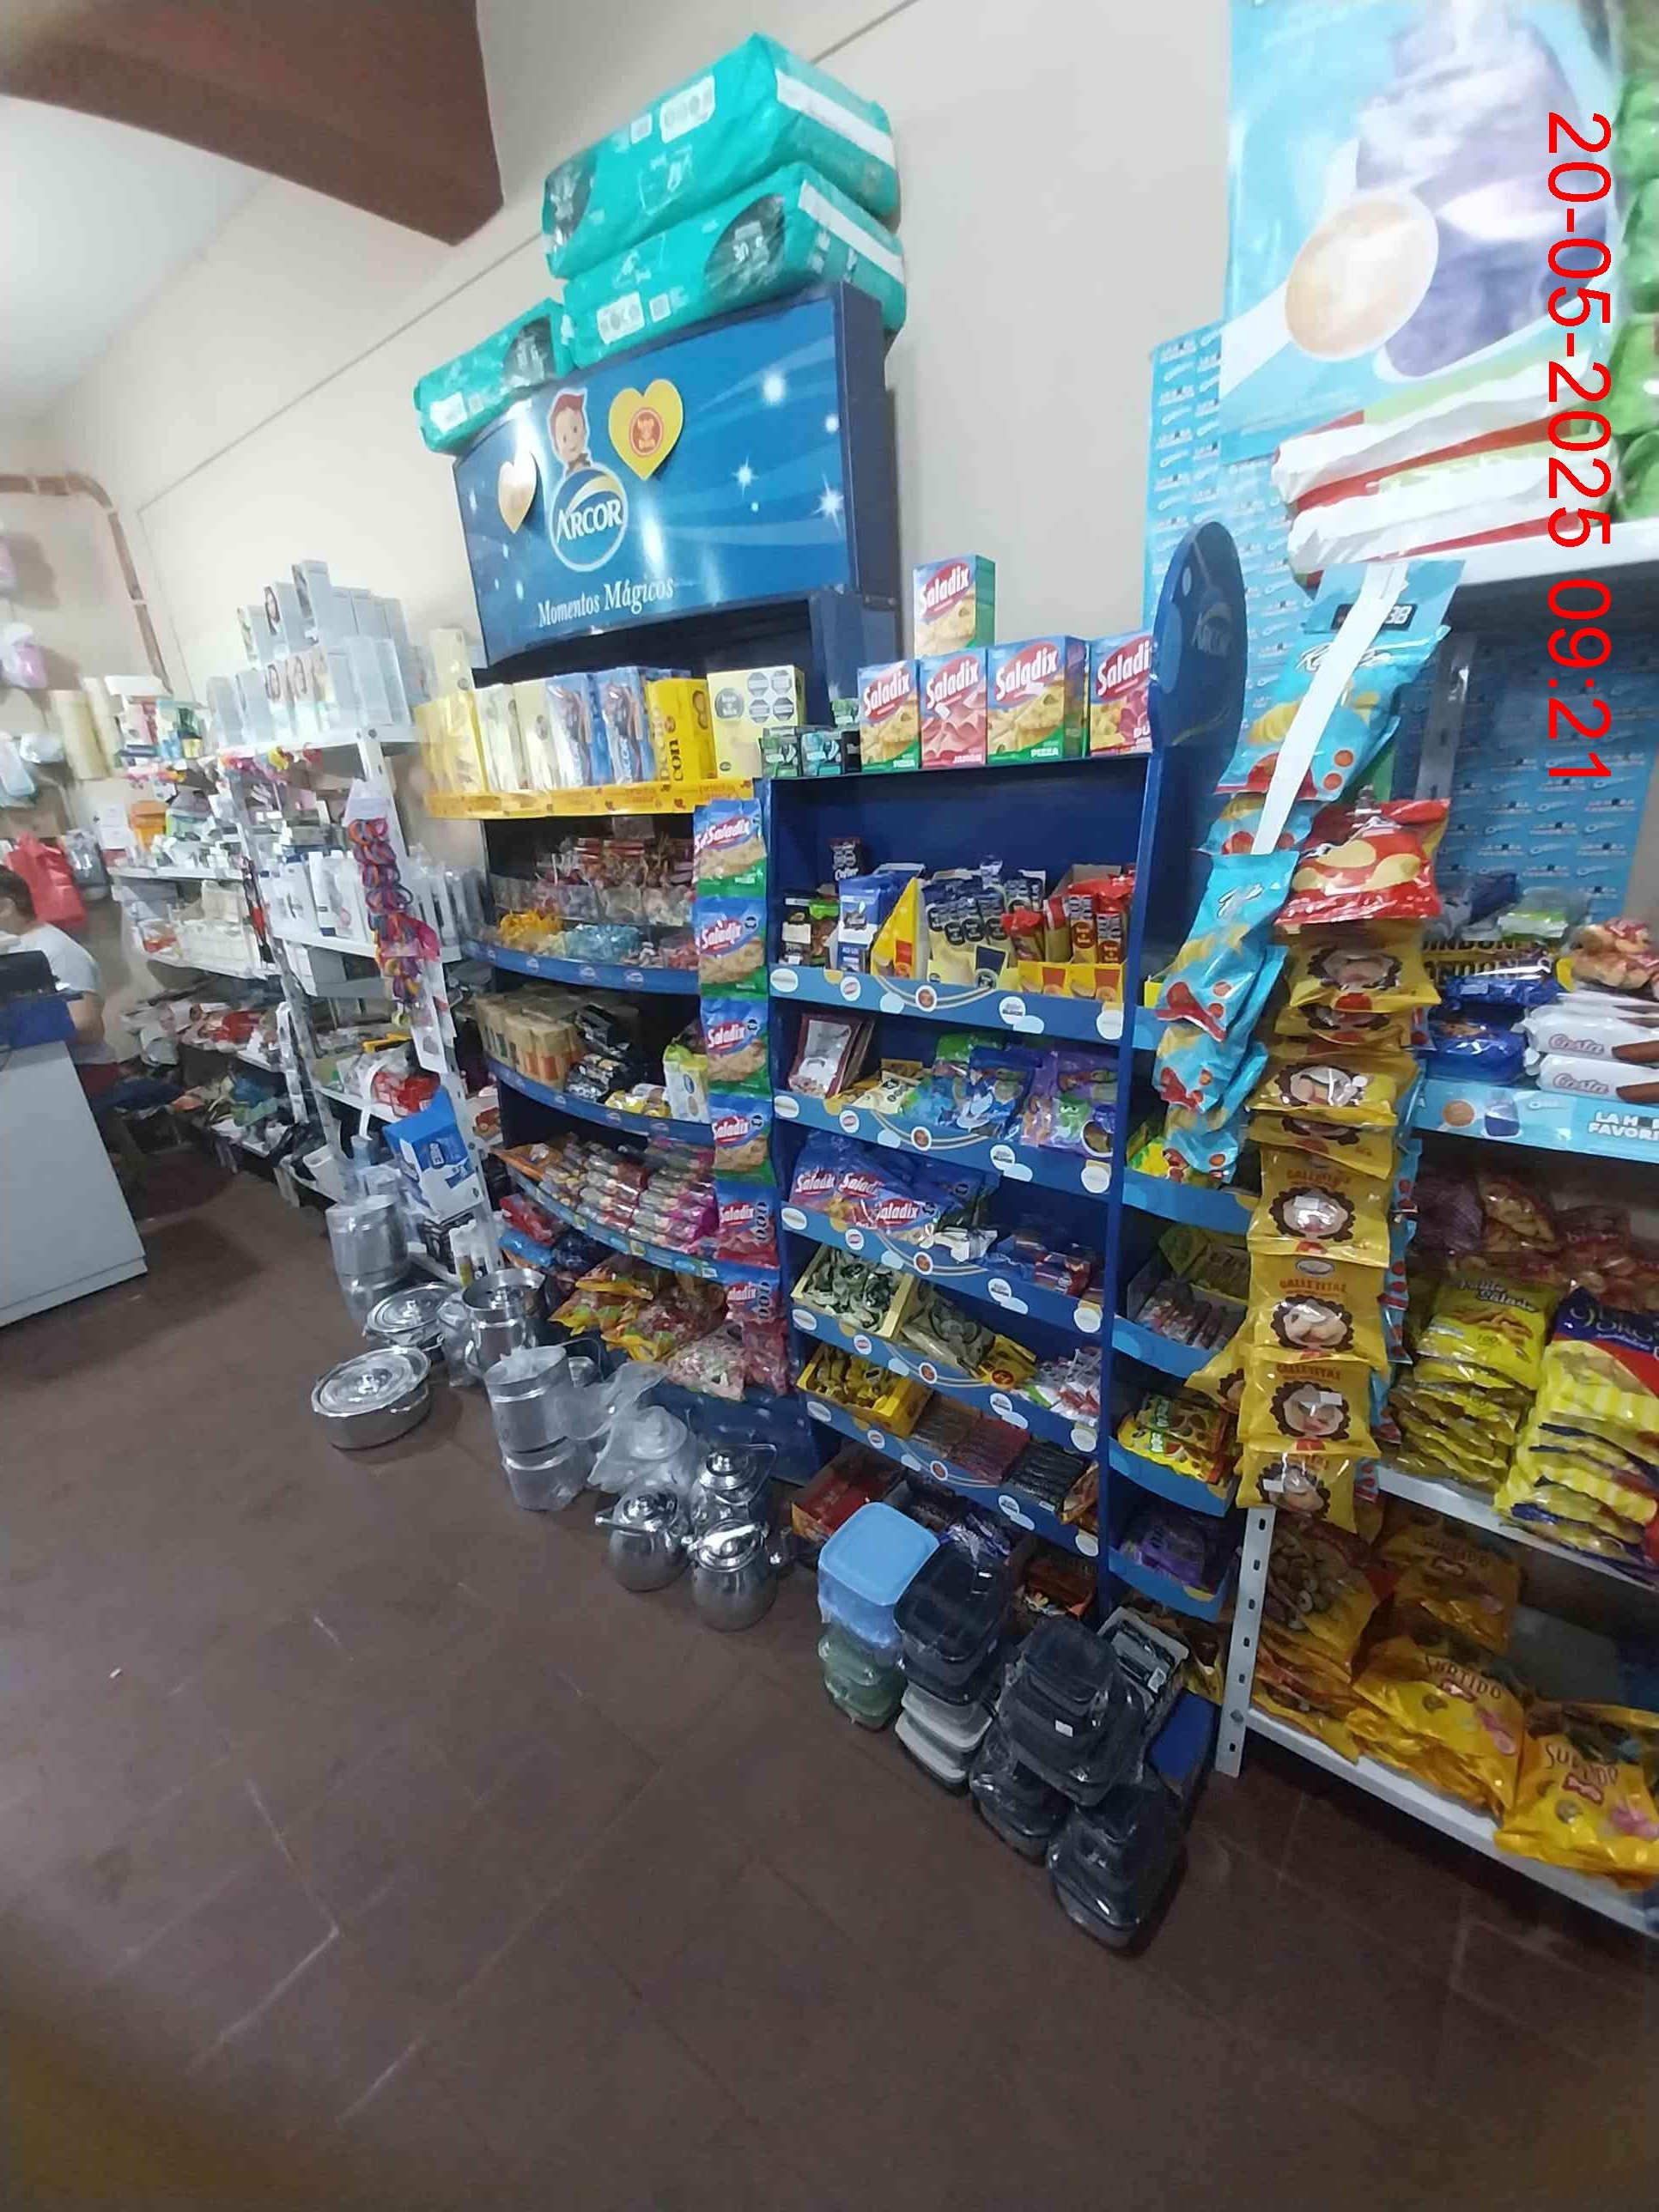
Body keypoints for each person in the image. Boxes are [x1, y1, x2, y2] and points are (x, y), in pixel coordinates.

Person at [0, 865, 120, 1098]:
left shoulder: (54, 949)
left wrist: (17, 1036)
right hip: (44, 1065)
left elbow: (88, 1027)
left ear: (5, 907)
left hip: (84, 1068)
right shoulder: (14, 948)